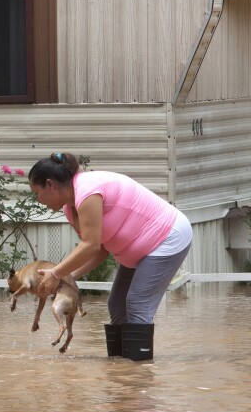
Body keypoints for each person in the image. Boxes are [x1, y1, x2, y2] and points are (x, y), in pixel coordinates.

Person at [28, 152, 192, 361]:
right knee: (117, 303)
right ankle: (120, 374)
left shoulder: (87, 192)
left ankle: (138, 377)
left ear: (50, 185)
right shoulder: (71, 209)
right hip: (140, 249)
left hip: (167, 238)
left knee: (137, 304)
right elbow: (101, 249)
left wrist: (56, 273)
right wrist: (68, 277)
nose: (38, 199)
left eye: (36, 192)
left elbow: (90, 245)